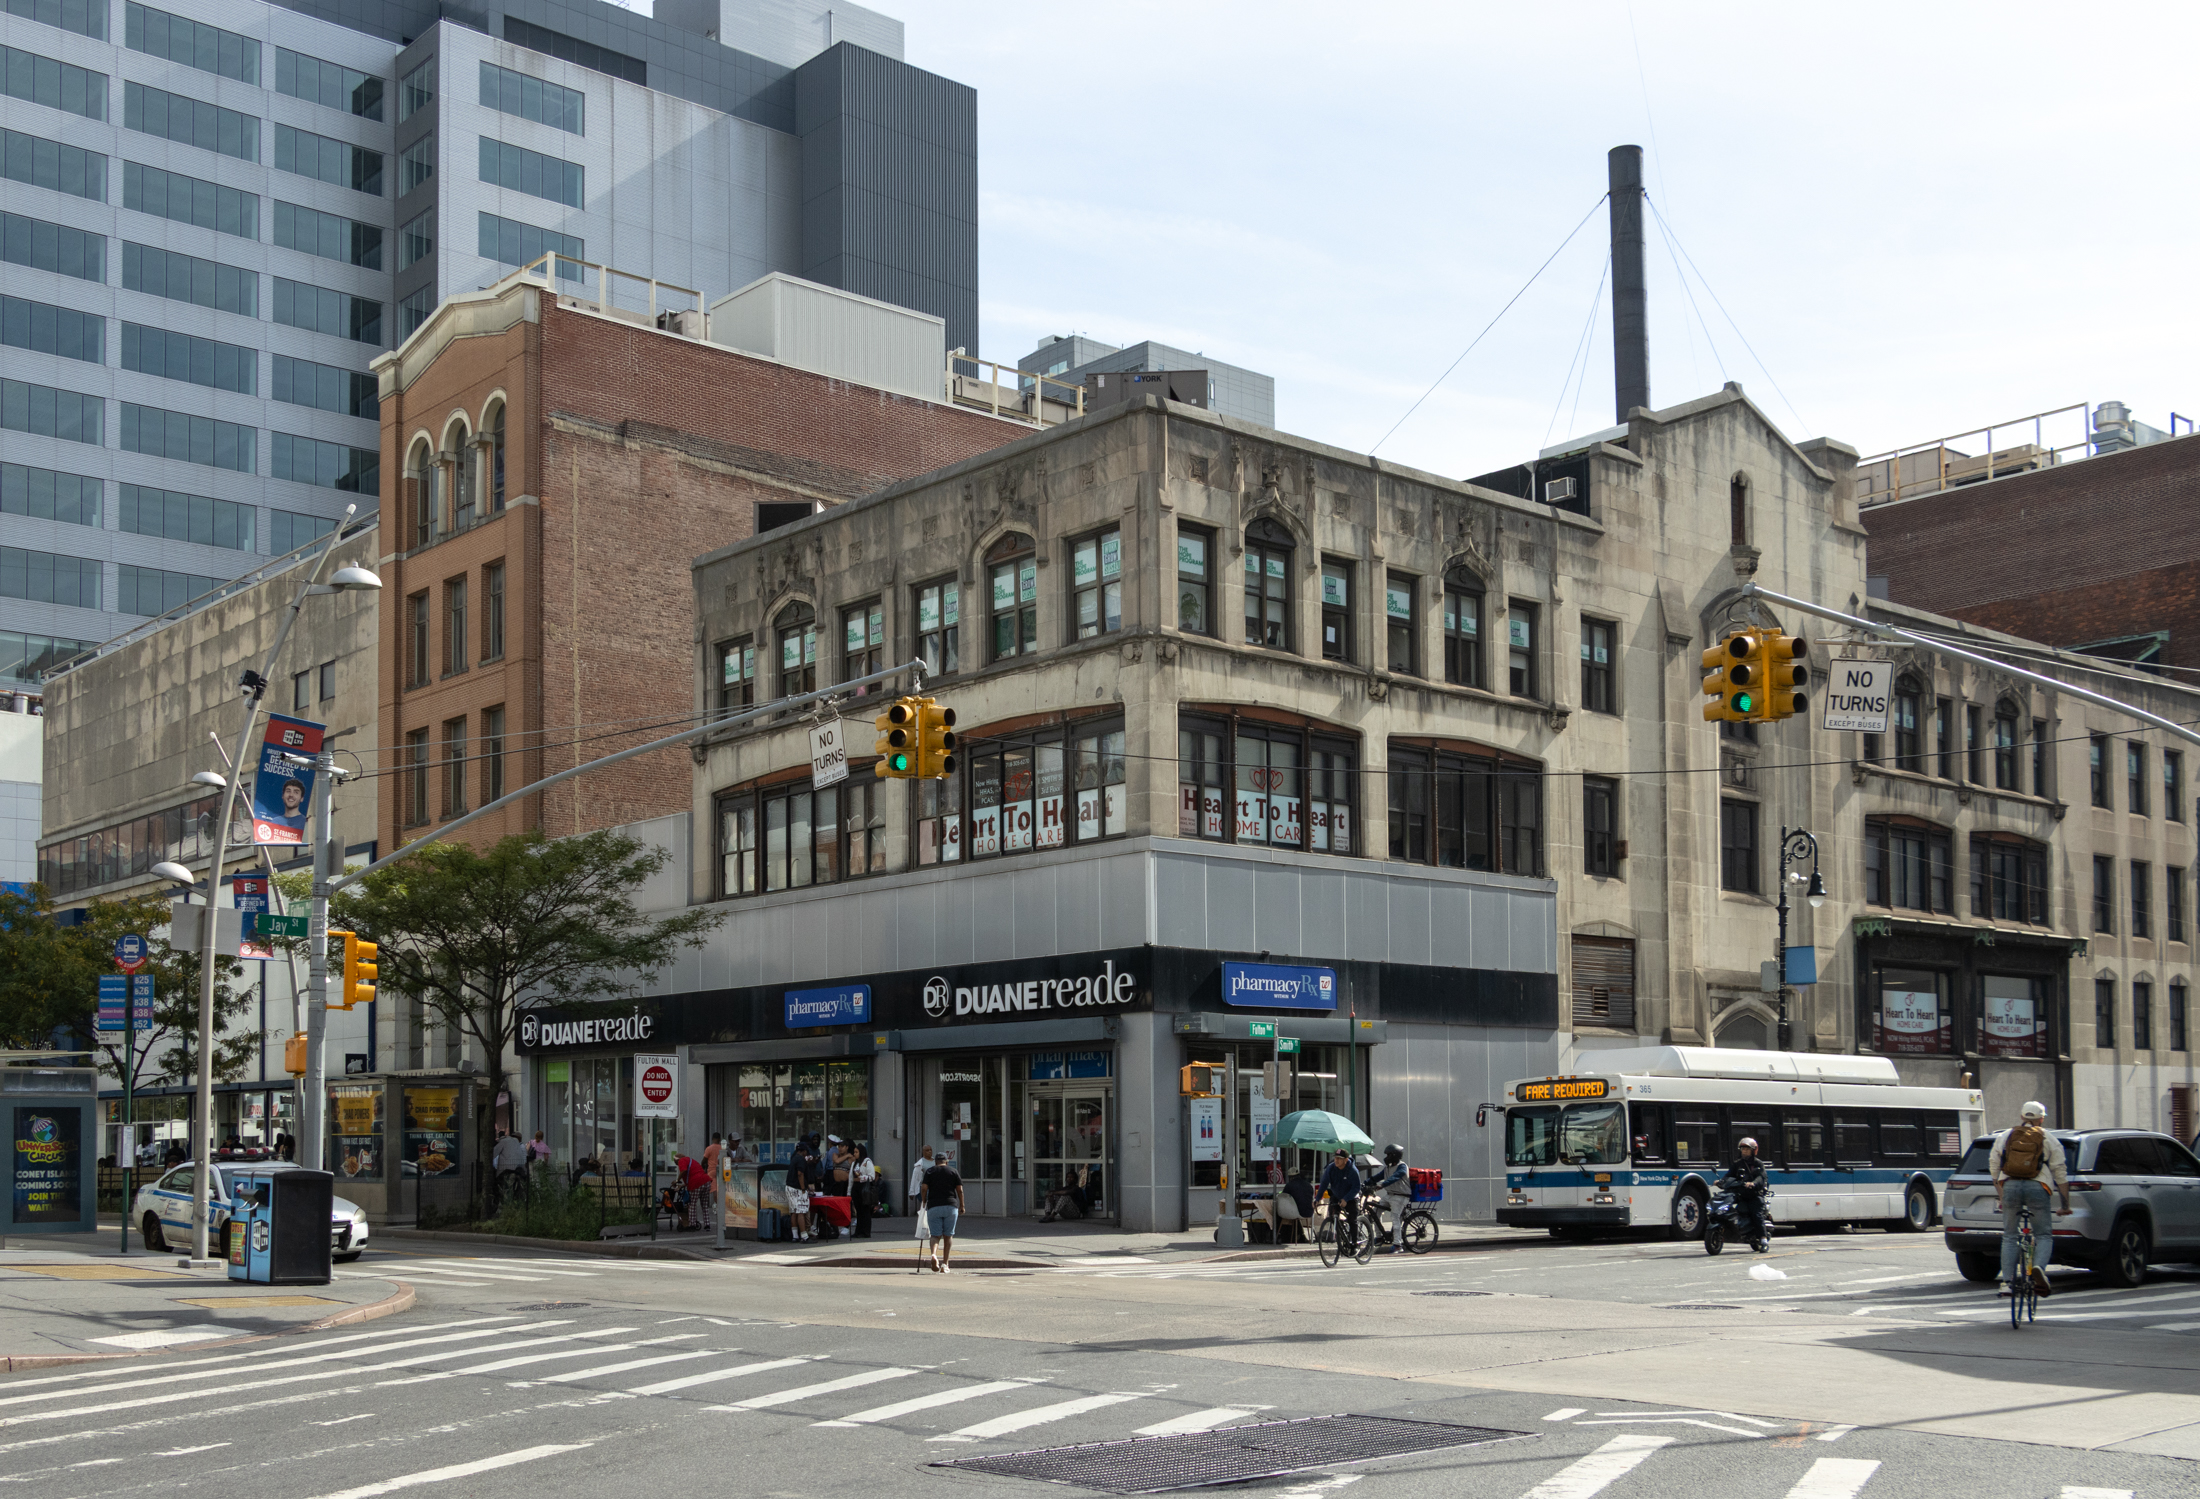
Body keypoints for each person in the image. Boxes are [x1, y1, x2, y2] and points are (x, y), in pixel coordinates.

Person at [1991, 1100, 2071, 1297]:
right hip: (2038, 1186)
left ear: (2022, 1117)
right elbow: (2060, 1172)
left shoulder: (2005, 1136)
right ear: (2041, 1119)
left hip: (2010, 1185)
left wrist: (2001, 1196)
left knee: (2010, 1235)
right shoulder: (2048, 1138)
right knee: (2043, 1234)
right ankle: (2039, 1270)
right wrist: (2065, 1205)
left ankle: (2007, 1283)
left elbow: (1994, 1165)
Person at [919, 1144, 966, 1272]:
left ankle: (934, 1254)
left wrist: (924, 1201)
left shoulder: (929, 1171)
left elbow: (924, 1188)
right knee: (948, 1236)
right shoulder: (953, 1171)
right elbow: (960, 1190)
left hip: (934, 1206)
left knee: (935, 1235)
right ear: (946, 1161)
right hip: (950, 1206)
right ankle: (945, 1264)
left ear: (935, 1162)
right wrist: (962, 1205)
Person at [1721, 1137, 1771, 1251]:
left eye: (1747, 1149)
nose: (1744, 1151)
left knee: (1756, 1215)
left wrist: (1753, 1183)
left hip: (1754, 1195)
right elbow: (1729, 1175)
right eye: (1743, 1149)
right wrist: (1721, 1182)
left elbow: (1761, 1177)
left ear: (1753, 1151)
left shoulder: (1758, 1164)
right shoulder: (1738, 1164)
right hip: (1741, 1195)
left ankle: (1763, 1239)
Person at [1317, 1148, 1364, 1249]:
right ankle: (1341, 1232)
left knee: (1352, 1219)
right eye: (1335, 1158)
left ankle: (1355, 1244)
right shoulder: (1331, 1168)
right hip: (1336, 1195)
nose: (1336, 1160)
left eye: (1339, 1158)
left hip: (1351, 1197)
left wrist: (1346, 1199)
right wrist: (1317, 1199)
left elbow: (1356, 1187)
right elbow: (1324, 1184)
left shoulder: (1352, 1170)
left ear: (1346, 1160)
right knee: (1333, 1216)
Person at [1370, 1142, 1412, 1251]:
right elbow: (1377, 1177)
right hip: (1390, 1195)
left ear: (1394, 1155)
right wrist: (1365, 1183)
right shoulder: (1387, 1168)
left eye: (1388, 1155)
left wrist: (1382, 1185)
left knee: (1395, 1217)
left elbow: (1395, 1177)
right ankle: (1379, 1237)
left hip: (1401, 1196)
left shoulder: (1402, 1167)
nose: (1386, 1158)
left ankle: (1398, 1245)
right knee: (1375, 1211)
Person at [909, 1145, 936, 1262]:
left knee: (932, 1208)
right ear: (922, 1152)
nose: (929, 1152)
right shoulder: (920, 1164)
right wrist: (912, 1192)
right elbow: (915, 1178)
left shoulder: (936, 1162)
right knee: (925, 1208)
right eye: (926, 1150)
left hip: (934, 1188)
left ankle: (930, 1225)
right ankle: (925, 1226)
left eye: (930, 1150)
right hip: (923, 1189)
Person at [784, 1141, 814, 1242]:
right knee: (801, 1211)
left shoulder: (794, 1158)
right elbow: (800, 1173)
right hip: (797, 1188)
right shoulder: (801, 1159)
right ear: (804, 1151)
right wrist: (803, 1189)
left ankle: (795, 1236)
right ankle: (804, 1236)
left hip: (789, 1187)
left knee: (793, 1212)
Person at [851, 1144, 878, 1238]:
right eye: (854, 1152)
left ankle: (865, 1232)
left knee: (865, 1211)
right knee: (858, 1211)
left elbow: (872, 1177)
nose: (854, 1154)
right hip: (856, 1188)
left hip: (864, 1188)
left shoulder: (867, 1162)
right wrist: (849, 1191)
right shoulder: (855, 1163)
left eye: (856, 1152)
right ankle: (858, 1231)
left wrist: (861, 1178)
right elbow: (851, 1177)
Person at [701, 1132, 723, 1231]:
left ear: (712, 1138)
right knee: (721, 1187)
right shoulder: (722, 1148)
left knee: (714, 1188)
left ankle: (716, 1204)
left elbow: (704, 1159)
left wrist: (702, 1167)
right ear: (719, 1139)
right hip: (721, 1170)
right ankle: (721, 1204)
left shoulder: (709, 1148)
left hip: (711, 1170)